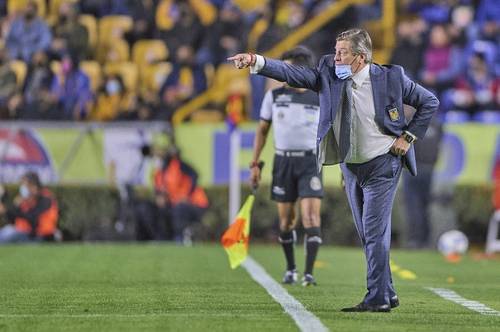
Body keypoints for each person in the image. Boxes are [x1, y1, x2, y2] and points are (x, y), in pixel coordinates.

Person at [229, 28, 439, 312]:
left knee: (374, 232)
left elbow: (430, 102)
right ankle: (387, 292)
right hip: (351, 166)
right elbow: (293, 74)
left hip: (383, 163)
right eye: (336, 50)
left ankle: (377, 298)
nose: (335, 56)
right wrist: (256, 60)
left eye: (343, 53)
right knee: (368, 233)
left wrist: (408, 136)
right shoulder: (329, 72)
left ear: (360, 58)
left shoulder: (391, 77)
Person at [249, 46, 323, 286]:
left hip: (310, 161)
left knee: (310, 217)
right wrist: (255, 163)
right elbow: (262, 130)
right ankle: (291, 268)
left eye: (286, 69)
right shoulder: (274, 96)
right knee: (286, 222)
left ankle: (309, 274)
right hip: (283, 161)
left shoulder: (319, 96)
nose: (282, 74)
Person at [403, 114, 443, 249]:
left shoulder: (414, 123)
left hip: (413, 168)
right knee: (425, 206)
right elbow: (438, 146)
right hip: (429, 169)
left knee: (413, 206)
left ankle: (415, 239)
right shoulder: (438, 124)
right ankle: (426, 239)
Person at [0, 172, 59, 243]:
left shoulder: (46, 199)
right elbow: (13, 220)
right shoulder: (25, 199)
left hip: (41, 235)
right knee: (7, 230)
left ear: (34, 186)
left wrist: (8, 211)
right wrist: (10, 207)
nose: (23, 187)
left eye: (25, 185)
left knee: (8, 233)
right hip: (25, 232)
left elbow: (33, 218)